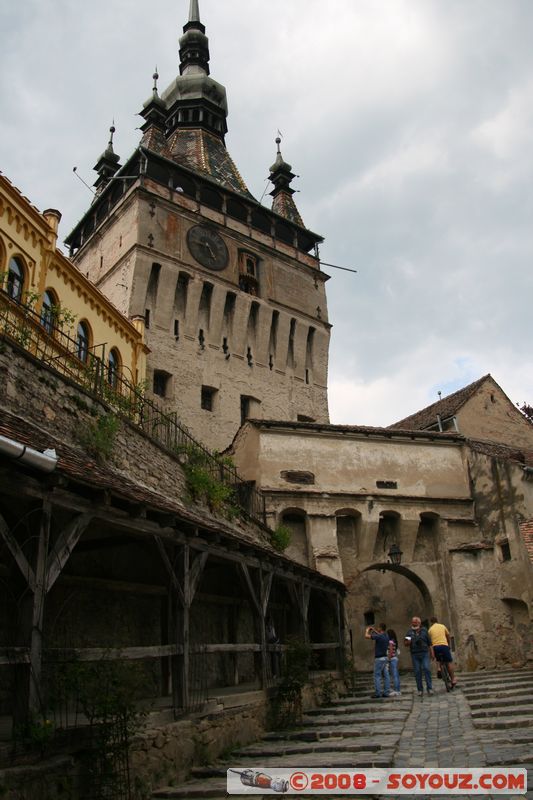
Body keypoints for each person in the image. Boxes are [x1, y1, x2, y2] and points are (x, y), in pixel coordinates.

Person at [405, 616, 433, 697]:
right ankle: (420, 689)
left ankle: (429, 688)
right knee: (417, 672)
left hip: (424, 653)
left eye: (415, 622)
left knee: (427, 669)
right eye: (413, 622)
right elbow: (405, 643)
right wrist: (408, 642)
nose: (414, 623)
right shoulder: (409, 632)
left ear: (419, 623)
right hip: (415, 654)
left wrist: (432, 653)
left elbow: (430, 643)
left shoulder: (424, 631)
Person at [428, 616, 457, 687]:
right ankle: (453, 679)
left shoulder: (430, 629)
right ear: (437, 621)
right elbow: (448, 636)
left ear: (431, 622)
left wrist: (431, 653)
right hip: (444, 645)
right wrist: (448, 644)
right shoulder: (442, 626)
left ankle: (439, 668)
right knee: (449, 662)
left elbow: (430, 642)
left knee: (438, 659)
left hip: (435, 647)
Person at [367, 622, 391, 698]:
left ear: (380, 628)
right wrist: (374, 630)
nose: (377, 628)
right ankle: (386, 692)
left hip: (379, 658)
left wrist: (367, 630)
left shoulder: (379, 636)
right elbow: (379, 635)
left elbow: (366, 636)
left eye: (378, 627)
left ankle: (378, 693)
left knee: (377, 676)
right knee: (386, 675)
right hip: (385, 658)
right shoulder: (386, 636)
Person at [387, 629, 401, 695]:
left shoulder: (391, 641)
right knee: (396, 675)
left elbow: (391, 651)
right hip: (395, 658)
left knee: (394, 675)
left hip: (392, 659)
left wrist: (388, 659)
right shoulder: (395, 641)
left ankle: (396, 690)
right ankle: (398, 689)